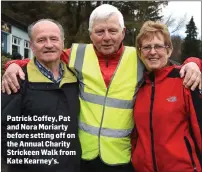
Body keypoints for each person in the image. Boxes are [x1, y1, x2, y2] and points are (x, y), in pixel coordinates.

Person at [1, 4, 202, 172]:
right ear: (91, 34)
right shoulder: (77, 53)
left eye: (113, 31)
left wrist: (193, 62)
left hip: (122, 158)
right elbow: (46, 57)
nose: (106, 37)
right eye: (99, 32)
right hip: (83, 157)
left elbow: (165, 64)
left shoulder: (139, 57)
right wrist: (13, 66)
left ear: (123, 33)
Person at [1, 19, 81, 172]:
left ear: (63, 43)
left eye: (54, 39)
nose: (49, 45)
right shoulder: (17, 80)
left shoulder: (75, 77)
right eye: (41, 40)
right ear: (31, 45)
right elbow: (4, 132)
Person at [132, 21, 202, 172]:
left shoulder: (185, 80)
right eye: (146, 47)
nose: (152, 52)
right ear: (140, 52)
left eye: (158, 46)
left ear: (169, 50)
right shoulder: (138, 86)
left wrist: (194, 62)